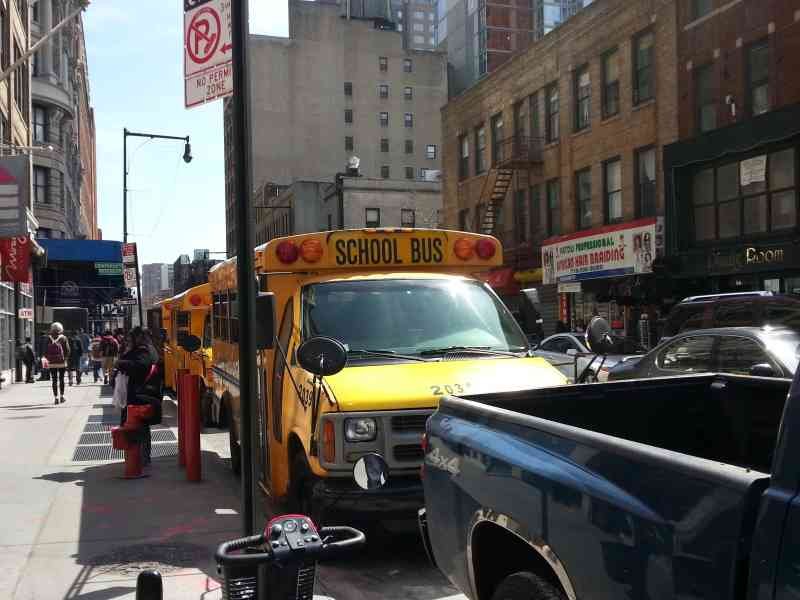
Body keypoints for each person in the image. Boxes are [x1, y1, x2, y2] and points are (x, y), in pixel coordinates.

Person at [116, 327, 160, 466]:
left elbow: (140, 366)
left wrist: (120, 364)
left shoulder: (144, 351)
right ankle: (139, 458)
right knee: (140, 428)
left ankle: (139, 459)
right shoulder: (144, 349)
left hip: (139, 395)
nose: (129, 341)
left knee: (137, 427)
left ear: (138, 338)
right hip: (138, 394)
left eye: (131, 338)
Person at [45, 322, 70, 404]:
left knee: (54, 380)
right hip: (61, 362)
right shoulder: (63, 338)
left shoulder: (48, 338)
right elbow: (67, 350)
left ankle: (55, 398)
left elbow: (45, 350)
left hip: (52, 362)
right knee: (61, 379)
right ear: (61, 329)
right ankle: (62, 396)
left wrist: (47, 359)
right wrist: (65, 358)